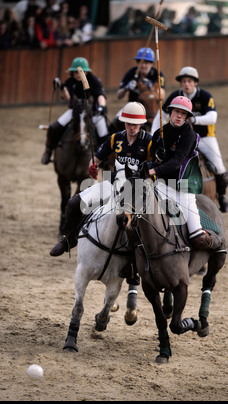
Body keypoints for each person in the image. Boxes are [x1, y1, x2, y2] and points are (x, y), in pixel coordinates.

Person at [49, 102, 152, 285]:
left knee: (132, 225)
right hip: (113, 185)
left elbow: (157, 166)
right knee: (74, 202)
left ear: (141, 124)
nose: (132, 128)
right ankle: (68, 239)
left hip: (136, 191)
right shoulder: (116, 138)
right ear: (124, 123)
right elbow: (98, 155)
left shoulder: (149, 141)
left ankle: (134, 264)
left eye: (135, 124)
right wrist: (93, 165)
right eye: (129, 123)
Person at [149, 96, 225, 252]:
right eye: (177, 112)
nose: (179, 116)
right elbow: (153, 158)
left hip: (183, 188)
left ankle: (219, 248)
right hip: (162, 186)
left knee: (198, 237)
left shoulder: (188, 135)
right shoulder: (159, 134)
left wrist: (154, 170)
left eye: (183, 114)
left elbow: (176, 162)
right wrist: (157, 157)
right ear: (170, 112)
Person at [151, 66, 228, 213]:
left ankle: (222, 197)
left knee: (219, 167)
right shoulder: (175, 96)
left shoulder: (206, 96)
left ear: (195, 83)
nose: (186, 84)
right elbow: (159, 116)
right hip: (179, 138)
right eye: (183, 81)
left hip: (205, 137)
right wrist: (154, 135)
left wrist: (194, 120)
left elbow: (213, 117)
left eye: (189, 81)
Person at [41, 57, 108, 165]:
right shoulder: (70, 81)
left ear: (86, 72)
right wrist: (62, 88)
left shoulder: (93, 80)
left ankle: (106, 158)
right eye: (75, 72)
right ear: (72, 72)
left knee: (104, 134)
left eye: (81, 72)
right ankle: (48, 151)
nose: (78, 74)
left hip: (93, 113)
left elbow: (100, 95)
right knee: (54, 128)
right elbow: (67, 97)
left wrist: (102, 106)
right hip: (75, 113)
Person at [108, 47, 166, 134]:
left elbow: (162, 95)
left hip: (151, 108)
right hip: (132, 106)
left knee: (163, 127)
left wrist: (150, 89)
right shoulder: (131, 73)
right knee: (114, 124)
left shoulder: (157, 74)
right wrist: (126, 88)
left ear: (152, 64)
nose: (143, 65)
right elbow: (119, 96)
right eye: (141, 62)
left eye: (146, 63)